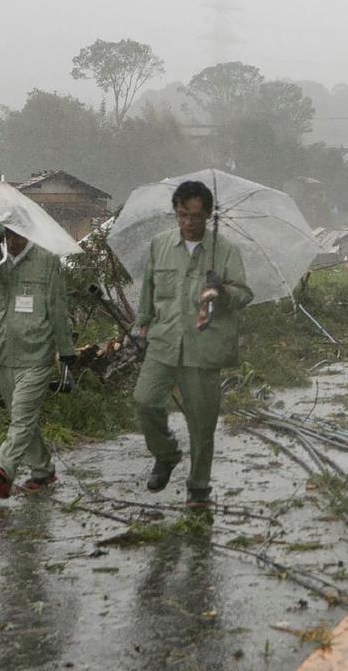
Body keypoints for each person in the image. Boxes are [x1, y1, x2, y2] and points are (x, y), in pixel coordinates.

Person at [134, 180, 252, 508]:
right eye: (182, 215)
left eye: (196, 217)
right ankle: (167, 454)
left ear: (208, 215)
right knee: (145, 402)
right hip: (163, 341)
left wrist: (223, 290)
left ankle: (198, 487)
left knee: (202, 423)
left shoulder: (225, 250)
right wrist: (141, 329)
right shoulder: (160, 245)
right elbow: (149, 291)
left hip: (204, 346)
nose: (188, 223)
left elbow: (244, 294)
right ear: (175, 212)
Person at [0, 226, 74, 499]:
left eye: (17, 236)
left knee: (22, 416)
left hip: (36, 351)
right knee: (22, 417)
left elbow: (57, 304)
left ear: (29, 233)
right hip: (1, 349)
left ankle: (2, 469)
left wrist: (66, 351)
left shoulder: (46, 259)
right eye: (6, 236)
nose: (12, 242)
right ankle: (43, 471)